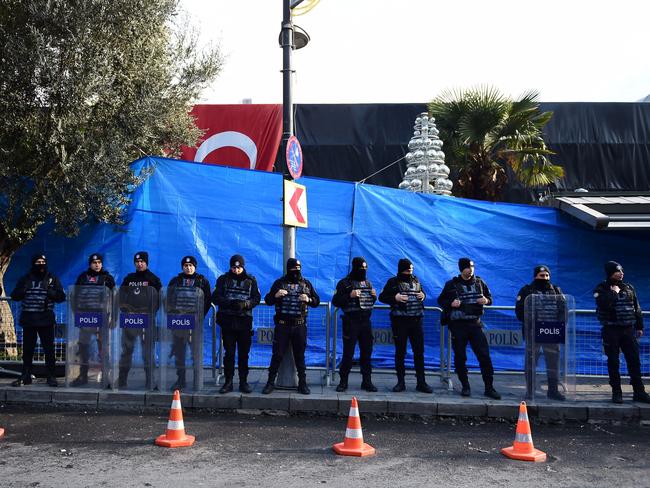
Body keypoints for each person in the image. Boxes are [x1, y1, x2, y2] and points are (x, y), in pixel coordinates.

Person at [437, 258, 500, 399]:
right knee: (460, 357)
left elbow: (490, 298)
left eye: (472, 266)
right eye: (467, 267)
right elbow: (441, 300)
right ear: (461, 269)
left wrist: (487, 300)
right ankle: (465, 386)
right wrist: (451, 303)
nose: (470, 269)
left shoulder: (480, 282)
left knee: (484, 356)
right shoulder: (451, 284)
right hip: (458, 325)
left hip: (475, 324)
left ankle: (489, 388)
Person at [594, 261, 650, 404]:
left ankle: (639, 392)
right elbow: (603, 304)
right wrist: (614, 292)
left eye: (622, 271)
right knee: (613, 361)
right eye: (618, 271)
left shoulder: (629, 287)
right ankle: (616, 392)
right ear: (611, 272)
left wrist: (639, 326)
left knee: (634, 360)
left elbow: (636, 307)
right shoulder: (601, 288)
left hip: (628, 329)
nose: (621, 273)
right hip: (611, 329)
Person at [262, 258, 320, 395]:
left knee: (300, 356)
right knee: (277, 355)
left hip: (299, 325)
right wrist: (276, 295)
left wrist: (308, 299)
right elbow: (268, 300)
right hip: (282, 325)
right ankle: (270, 383)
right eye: (293, 268)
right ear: (288, 269)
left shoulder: (306, 284)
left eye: (298, 268)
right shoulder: (279, 283)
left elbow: (316, 301)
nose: (296, 271)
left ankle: (303, 383)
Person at [10, 254, 66, 387]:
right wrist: (22, 291)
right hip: (29, 319)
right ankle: (26, 375)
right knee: (28, 350)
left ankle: (51, 376)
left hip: (46, 319)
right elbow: (14, 296)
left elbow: (61, 297)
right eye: (38, 262)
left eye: (43, 262)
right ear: (33, 263)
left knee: (49, 350)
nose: (40, 264)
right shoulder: (26, 279)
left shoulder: (52, 279)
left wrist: (51, 293)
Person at [378, 258, 432, 394]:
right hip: (400, 322)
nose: (410, 272)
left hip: (416, 321)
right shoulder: (393, 282)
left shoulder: (416, 280)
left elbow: (422, 293)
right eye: (407, 270)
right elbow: (382, 297)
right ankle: (400, 382)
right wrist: (394, 298)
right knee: (400, 353)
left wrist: (423, 296)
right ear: (401, 269)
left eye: (411, 269)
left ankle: (421, 382)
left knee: (419, 352)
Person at [211, 254, 261, 394]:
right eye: (234, 267)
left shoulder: (251, 280)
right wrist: (229, 303)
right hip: (228, 322)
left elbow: (257, 298)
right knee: (229, 354)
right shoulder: (223, 279)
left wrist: (245, 304)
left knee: (244, 354)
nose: (236, 270)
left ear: (243, 267)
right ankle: (228, 382)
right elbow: (215, 296)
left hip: (244, 322)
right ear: (230, 267)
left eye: (239, 267)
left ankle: (243, 382)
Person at [515, 265, 566, 401]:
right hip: (533, 332)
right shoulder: (526, 291)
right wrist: (531, 323)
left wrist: (559, 326)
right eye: (542, 276)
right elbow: (519, 312)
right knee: (531, 363)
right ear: (535, 276)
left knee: (553, 363)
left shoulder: (556, 290)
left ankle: (553, 391)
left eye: (547, 276)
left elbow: (563, 311)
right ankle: (530, 391)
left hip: (551, 331)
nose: (545, 278)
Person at [166, 255, 212, 391]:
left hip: (194, 323)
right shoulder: (175, 281)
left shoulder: (202, 281)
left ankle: (197, 380)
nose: (188, 267)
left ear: (195, 267)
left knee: (195, 353)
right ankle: (181, 380)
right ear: (182, 267)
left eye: (191, 265)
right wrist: (173, 316)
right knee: (179, 353)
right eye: (186, 266)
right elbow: (168, 300)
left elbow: (207, 301)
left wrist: (200, 317)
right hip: (179, 323)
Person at [332, 257, 377, 392]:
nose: (363, 271)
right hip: (351, 322)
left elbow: (368, 303)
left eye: (365, 268)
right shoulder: (344, 283)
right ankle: (343, 382)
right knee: (348, 353)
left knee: (367, 353)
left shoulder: (368, 284)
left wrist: (374, 296)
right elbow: (336, 301)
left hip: (365, 323)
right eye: (360, 268)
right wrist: (350, 295)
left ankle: (367, 381)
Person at [70, 253, 116, 386]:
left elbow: (114, 298)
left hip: (102, 317)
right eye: (94, 263)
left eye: (99, 262)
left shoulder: (107, 278)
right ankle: (82, 375)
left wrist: (113, 318)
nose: (97, 265)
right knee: (83, 346)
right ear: (90, 264)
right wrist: (77, 315)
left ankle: (106, 377)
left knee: (104, 348)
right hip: (85, 317)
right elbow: (74, 297)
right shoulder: (82, 277)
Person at [118, 251, 162, 389]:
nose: (139, 263)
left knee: (147, 352)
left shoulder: (153, 279)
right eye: (137, 262)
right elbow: (121, 296)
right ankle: (122, 380)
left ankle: (150, 380)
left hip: (146, 320)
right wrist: (125, 310)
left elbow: (159, 299)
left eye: (142, 261)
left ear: (146, 263)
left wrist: (150, 313)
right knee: (126, 351)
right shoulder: (129, 279)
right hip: (130, 320)